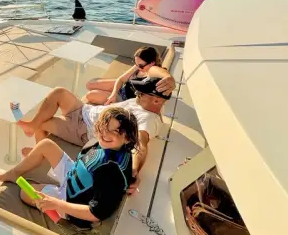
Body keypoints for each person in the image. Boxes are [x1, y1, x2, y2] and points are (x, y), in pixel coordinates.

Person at [16, 75, 172, 194]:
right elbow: (158, 72)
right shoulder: (142, 104)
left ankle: (38, 154)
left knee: (43, 123)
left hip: (83, 129)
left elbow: (141, 144)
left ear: (157, 101)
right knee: (59, 92)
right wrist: (169, 79)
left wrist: (134, 171)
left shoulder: (148, 119)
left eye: (140, 94)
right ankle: (32, 130)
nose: (137, 94)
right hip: (84, 111)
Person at [0, 107, 139, 228]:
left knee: (26, 192)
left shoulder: (111, 172)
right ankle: (12, 173)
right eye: (103, 127)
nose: (105, 133)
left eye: (114, 131)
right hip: (74, 176)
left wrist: (57, 204)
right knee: (46, 145)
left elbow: (96, 214)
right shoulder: (106, 145)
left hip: (71, 201)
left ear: (127, 138)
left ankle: (59, 217)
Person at [84, 46, 162, 105]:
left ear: (152, 63)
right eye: (135, 63)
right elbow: (121, 79)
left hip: (123, 98)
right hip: (122, 86)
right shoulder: (139, 66)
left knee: (90, 95)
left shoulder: (152, 78)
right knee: (89, 84)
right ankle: (108, 91)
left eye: (140, 66)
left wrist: (115, 98)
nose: (137, 67)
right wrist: (113, 94)